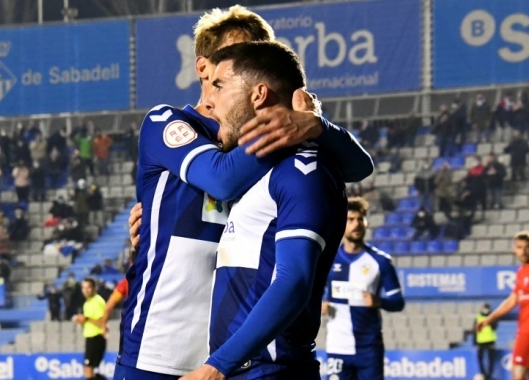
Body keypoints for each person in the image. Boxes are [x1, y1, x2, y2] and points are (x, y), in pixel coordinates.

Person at [118, 7, 373, 380]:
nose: (251, 62)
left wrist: (315, 126)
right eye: (236, 56)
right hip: (159, 345)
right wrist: (290, 123)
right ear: (205, 68)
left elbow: (358, 168)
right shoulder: (169, 123)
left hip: (230, 350)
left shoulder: (284, 149)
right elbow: (221, 179)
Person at [178, 40, 348, 379]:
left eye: (220, 86)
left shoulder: (302, 171)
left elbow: (294, 281)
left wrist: (216, 367)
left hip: (269, 371)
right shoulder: (262, 171)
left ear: (258, 95)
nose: (209, 102)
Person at [321, 198, 405, 380]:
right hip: (338, 346)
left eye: (360, 219)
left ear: (367, 223)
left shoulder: (381, 261)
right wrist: (320, 305)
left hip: (369, 349)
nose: (356, 224)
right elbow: (312, 293)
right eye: (350, 220)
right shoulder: (327, 259)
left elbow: (398, 302)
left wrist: (378, 302)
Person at [477, 231, 529, 380]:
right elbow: (512, 300)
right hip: (524, 332)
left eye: (527, 247)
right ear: (514, 249)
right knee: (518, 374)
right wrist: (489, 319)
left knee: (518, 373)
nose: (523, 252)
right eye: (520, 247)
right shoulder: (521, 273)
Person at [73, 278, 107, 380]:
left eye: (88, 287)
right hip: (90, 338)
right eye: (83, 288)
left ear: (93, 288)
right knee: (89, 371)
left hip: (96, 337)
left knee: (88, 369)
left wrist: (86, 318)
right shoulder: (87, 303)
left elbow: (102, 322)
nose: (85, 290)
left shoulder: (97, 301)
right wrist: (81, 321)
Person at [474, 303, 497, 380]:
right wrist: (475, 342)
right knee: (480, 359)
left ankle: (489, 376)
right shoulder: (478, 317)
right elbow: (475, 330)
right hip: (481, 341)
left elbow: (494, 327)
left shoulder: (492, 317)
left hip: (490, 341)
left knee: (491, 360)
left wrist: (489, 319)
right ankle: (483, 375)